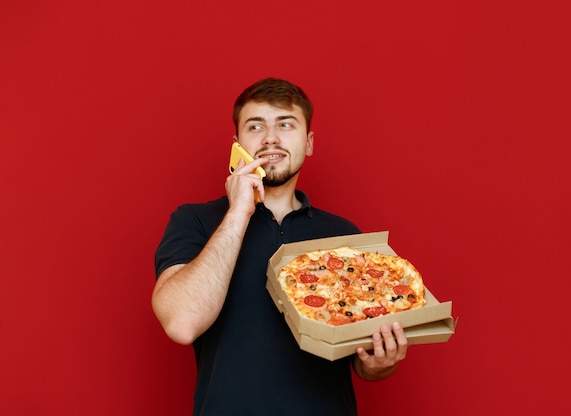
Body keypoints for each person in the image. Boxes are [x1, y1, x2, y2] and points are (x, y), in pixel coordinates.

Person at [152, 78, 408, 415]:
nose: (270, 138)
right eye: (255, 126)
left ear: (309, 142)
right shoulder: (195, 221)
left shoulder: (345, 237)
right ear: (237, 143)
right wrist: (239, 213)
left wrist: (378, 365)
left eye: (285, 124)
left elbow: (358, 354)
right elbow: (182, 323)